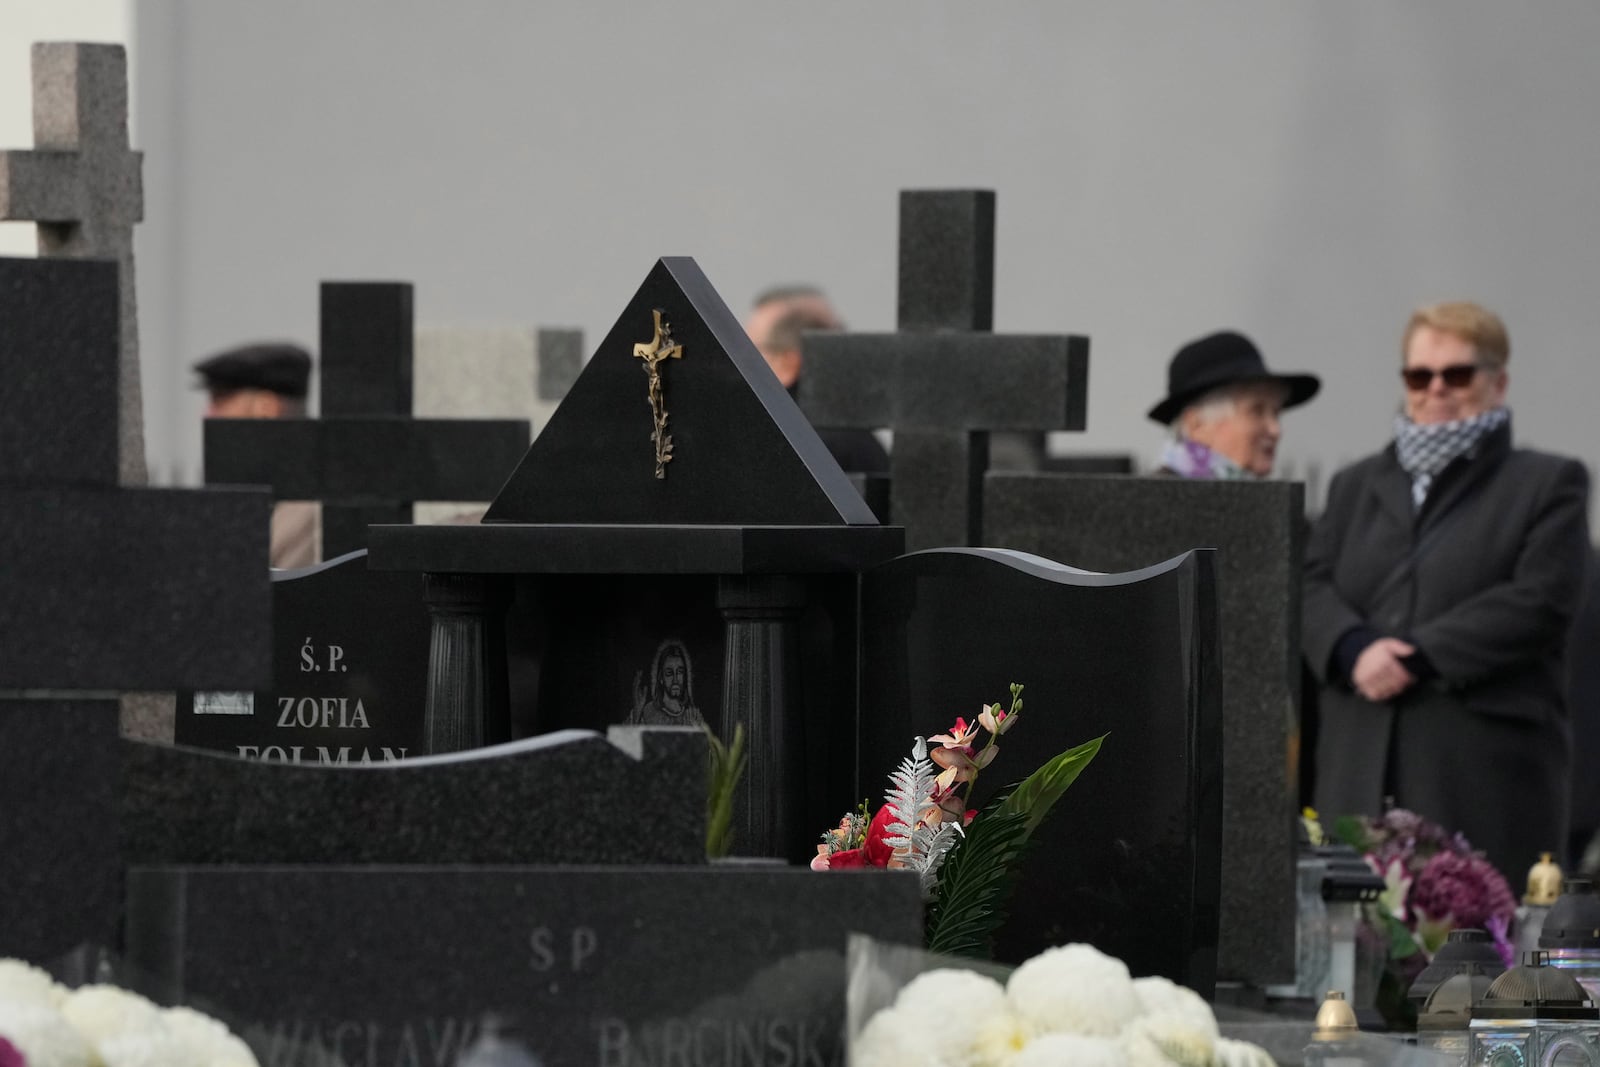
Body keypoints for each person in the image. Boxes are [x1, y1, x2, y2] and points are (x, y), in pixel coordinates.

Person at [1302, 301, 1590, 880]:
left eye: (1456, 375)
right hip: (1357, 775)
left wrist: (1418, 657)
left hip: (1480, 782)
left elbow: (1540, 602)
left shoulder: (1548, 484)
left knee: (1480, 964)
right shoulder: (1354, 485)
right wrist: (1354, 648)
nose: (1437, 389)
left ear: (1498, 382)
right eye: (1419, 375)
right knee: (1349, 960)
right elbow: (1310, 585)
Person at [193, 341, 320, 569]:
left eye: (220, 399)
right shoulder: (284, 490)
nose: (208, 414)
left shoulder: (310, 507)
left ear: (265, 407)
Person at [744, 286, 890, 475]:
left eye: (752, 348)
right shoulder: (857, 438)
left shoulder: (779, 441)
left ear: (787, 361)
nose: (742, 359)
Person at [1146, 330, 1320, 478]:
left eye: (1276, 413)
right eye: (1256, 411)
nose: (1275, 430)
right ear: (1197, 425)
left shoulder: (1264, 508)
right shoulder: (1149, 508)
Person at [629, 639, 704, 727]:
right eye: (669, 673)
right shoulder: (648, 712)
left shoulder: (692, 715)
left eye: (680, 672)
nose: (675, 680)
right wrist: (636, 717)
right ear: (661, 678)